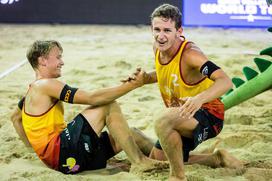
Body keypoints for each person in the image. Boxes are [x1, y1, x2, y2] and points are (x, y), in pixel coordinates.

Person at [123, 4, 243, 181]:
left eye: (167, 30)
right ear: (151, 29)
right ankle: (216, 158)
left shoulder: (191, 55)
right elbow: (171, 74)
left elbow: (225, 81)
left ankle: (178, 177)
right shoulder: (158, 48)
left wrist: (198, 100)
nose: (161, 36)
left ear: (179, 31)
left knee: (162, 121)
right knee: (160, 159)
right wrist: (145, 78)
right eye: (157, 29)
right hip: (182, 113)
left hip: (208, 114)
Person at [10, 40, 168, 174]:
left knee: (133, 135)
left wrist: (33, 149)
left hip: (65, 157)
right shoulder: (46, 84)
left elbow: (15, 118)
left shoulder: (31, 90)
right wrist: (132, 85)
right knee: (108, 105)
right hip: (64, 154)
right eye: (58, 57)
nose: (62, 62)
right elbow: (93, 98)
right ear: (43, 60)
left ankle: (175, 158)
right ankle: (140, 161)